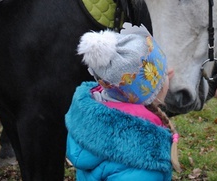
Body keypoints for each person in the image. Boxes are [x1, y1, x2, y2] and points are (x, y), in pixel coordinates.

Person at [65, 25, 180, 180]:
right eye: (163, 72)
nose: (170, 72)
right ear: (153, 90)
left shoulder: (92, 122)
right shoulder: (145, 159)